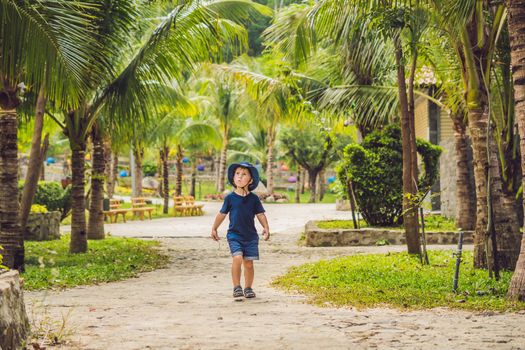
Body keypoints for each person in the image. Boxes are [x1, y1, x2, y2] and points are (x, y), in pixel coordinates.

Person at [211, 162, 270, 298]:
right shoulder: (230, 198)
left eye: (244, 174)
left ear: (250, 180)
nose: (239, 177)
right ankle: (237, 287)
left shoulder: (254, 199)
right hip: (234, 235)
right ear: (233, 178)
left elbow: (260, 214)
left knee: (248, 263)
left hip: (250, 237)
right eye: (237, 174)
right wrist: (214, 228)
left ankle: (248, 288)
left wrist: (266, 227)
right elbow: (222, 214)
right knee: (237, 258)